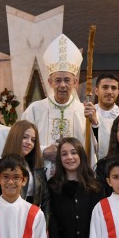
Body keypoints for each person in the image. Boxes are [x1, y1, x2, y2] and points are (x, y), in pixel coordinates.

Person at [20, 34, 89, 163]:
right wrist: (43, 151)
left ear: (75, 82)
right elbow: (20, 141)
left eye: (67, 80)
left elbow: (92, 148)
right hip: (42, 172)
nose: (62, 85)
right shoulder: (35, 109)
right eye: (58, 80)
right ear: (50, 82)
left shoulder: (82, 111)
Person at [0, 120, 50, 215]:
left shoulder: (37, 167)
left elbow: (45, 201)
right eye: (25, 137)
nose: (29, 143)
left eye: (33, 140)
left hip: (33, 220)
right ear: (15, 137)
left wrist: (43, 225)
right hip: (7, 219)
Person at [84, 72, 119, 160]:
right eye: (105, 87)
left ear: (118, 92)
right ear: (96, 91)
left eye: (113, 88)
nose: (109, 92)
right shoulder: (87, 114)